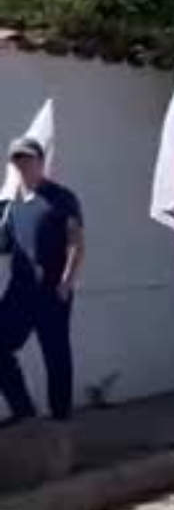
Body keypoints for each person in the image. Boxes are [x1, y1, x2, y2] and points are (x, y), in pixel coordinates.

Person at [0, 135, 84, 425]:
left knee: (56, 356)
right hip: (20, 291)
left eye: (28, 158)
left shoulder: (61, 197)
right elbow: (6, 246)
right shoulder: (11, 205)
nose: (23, 164)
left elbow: (76, 242)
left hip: (52, 290)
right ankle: (23, 411)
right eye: (17, 159)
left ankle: (61, 421)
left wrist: (66, 283)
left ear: (40, 161)